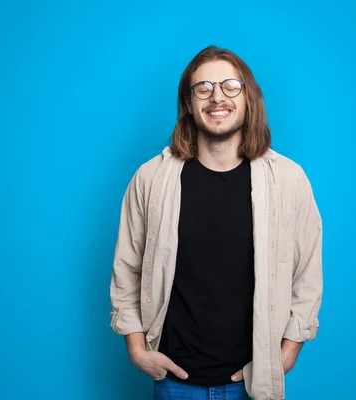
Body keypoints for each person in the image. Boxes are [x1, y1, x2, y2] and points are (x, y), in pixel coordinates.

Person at [110, 45, 323, 400]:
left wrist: (287, 353)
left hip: (253, 383)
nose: (216, 97)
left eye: (229, 86)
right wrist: (136, 348)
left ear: (248, 96)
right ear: (189, 103)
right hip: (174, 383)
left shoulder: (288, 180)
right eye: (203, 88)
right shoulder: (151, 178)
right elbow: (126, 267)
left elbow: (307, 275)